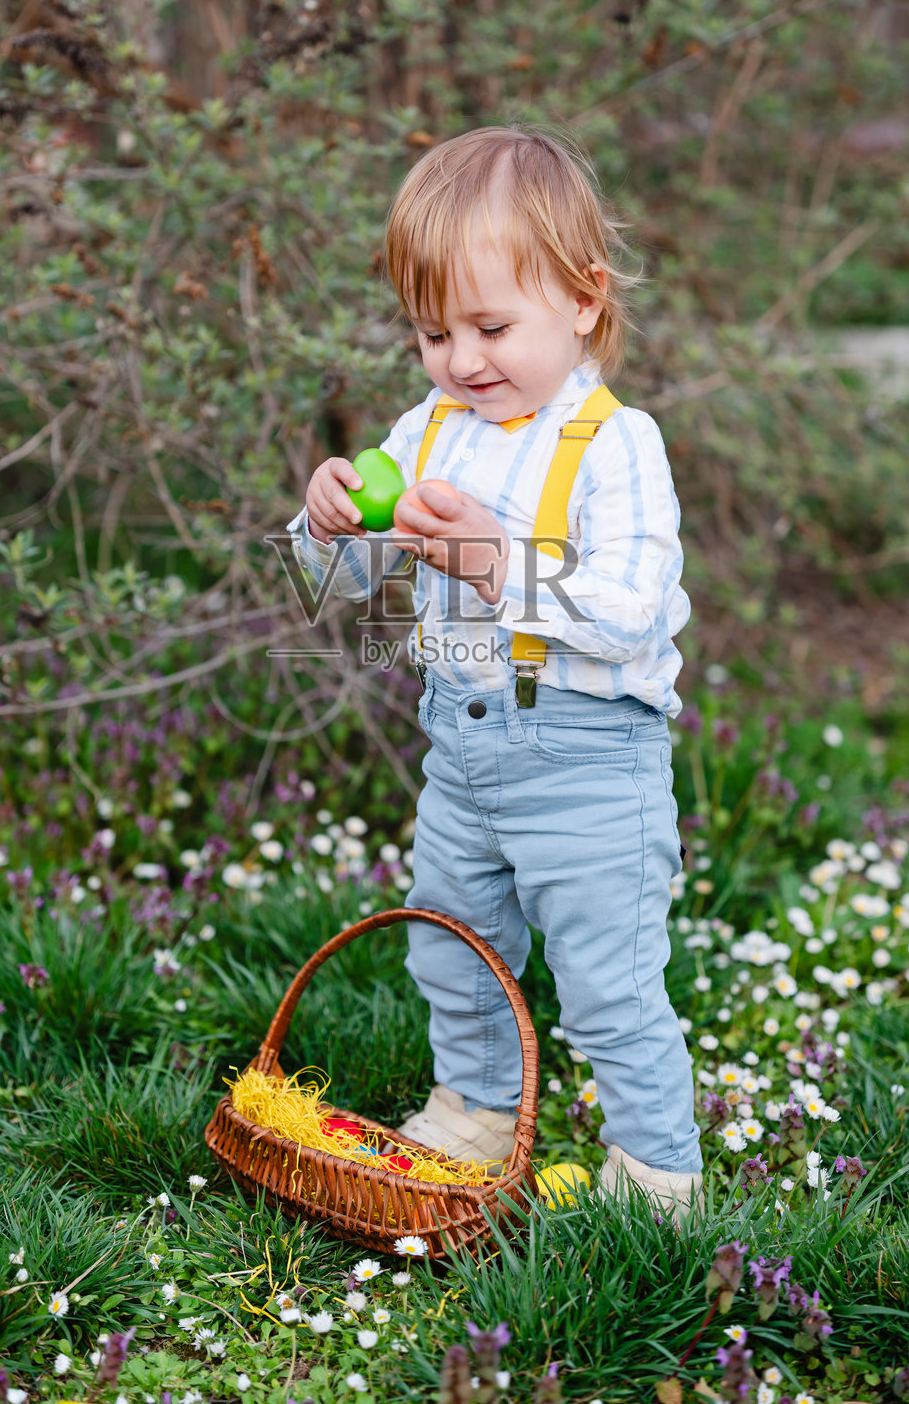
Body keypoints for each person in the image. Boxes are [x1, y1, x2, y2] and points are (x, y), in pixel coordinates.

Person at [286, 125, 703, 1222]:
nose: (461, 359)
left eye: (489, 325)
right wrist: (327, 520)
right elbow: (340, 585)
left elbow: (626, 616)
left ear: (580, 298)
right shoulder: (429, 430)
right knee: (450, 937)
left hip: (587, 755)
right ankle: (471, 1107)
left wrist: (490, 562)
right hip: (461, 749)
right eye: (431, 331)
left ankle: (656, 1173)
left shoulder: (616, 446)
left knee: (606, 973)